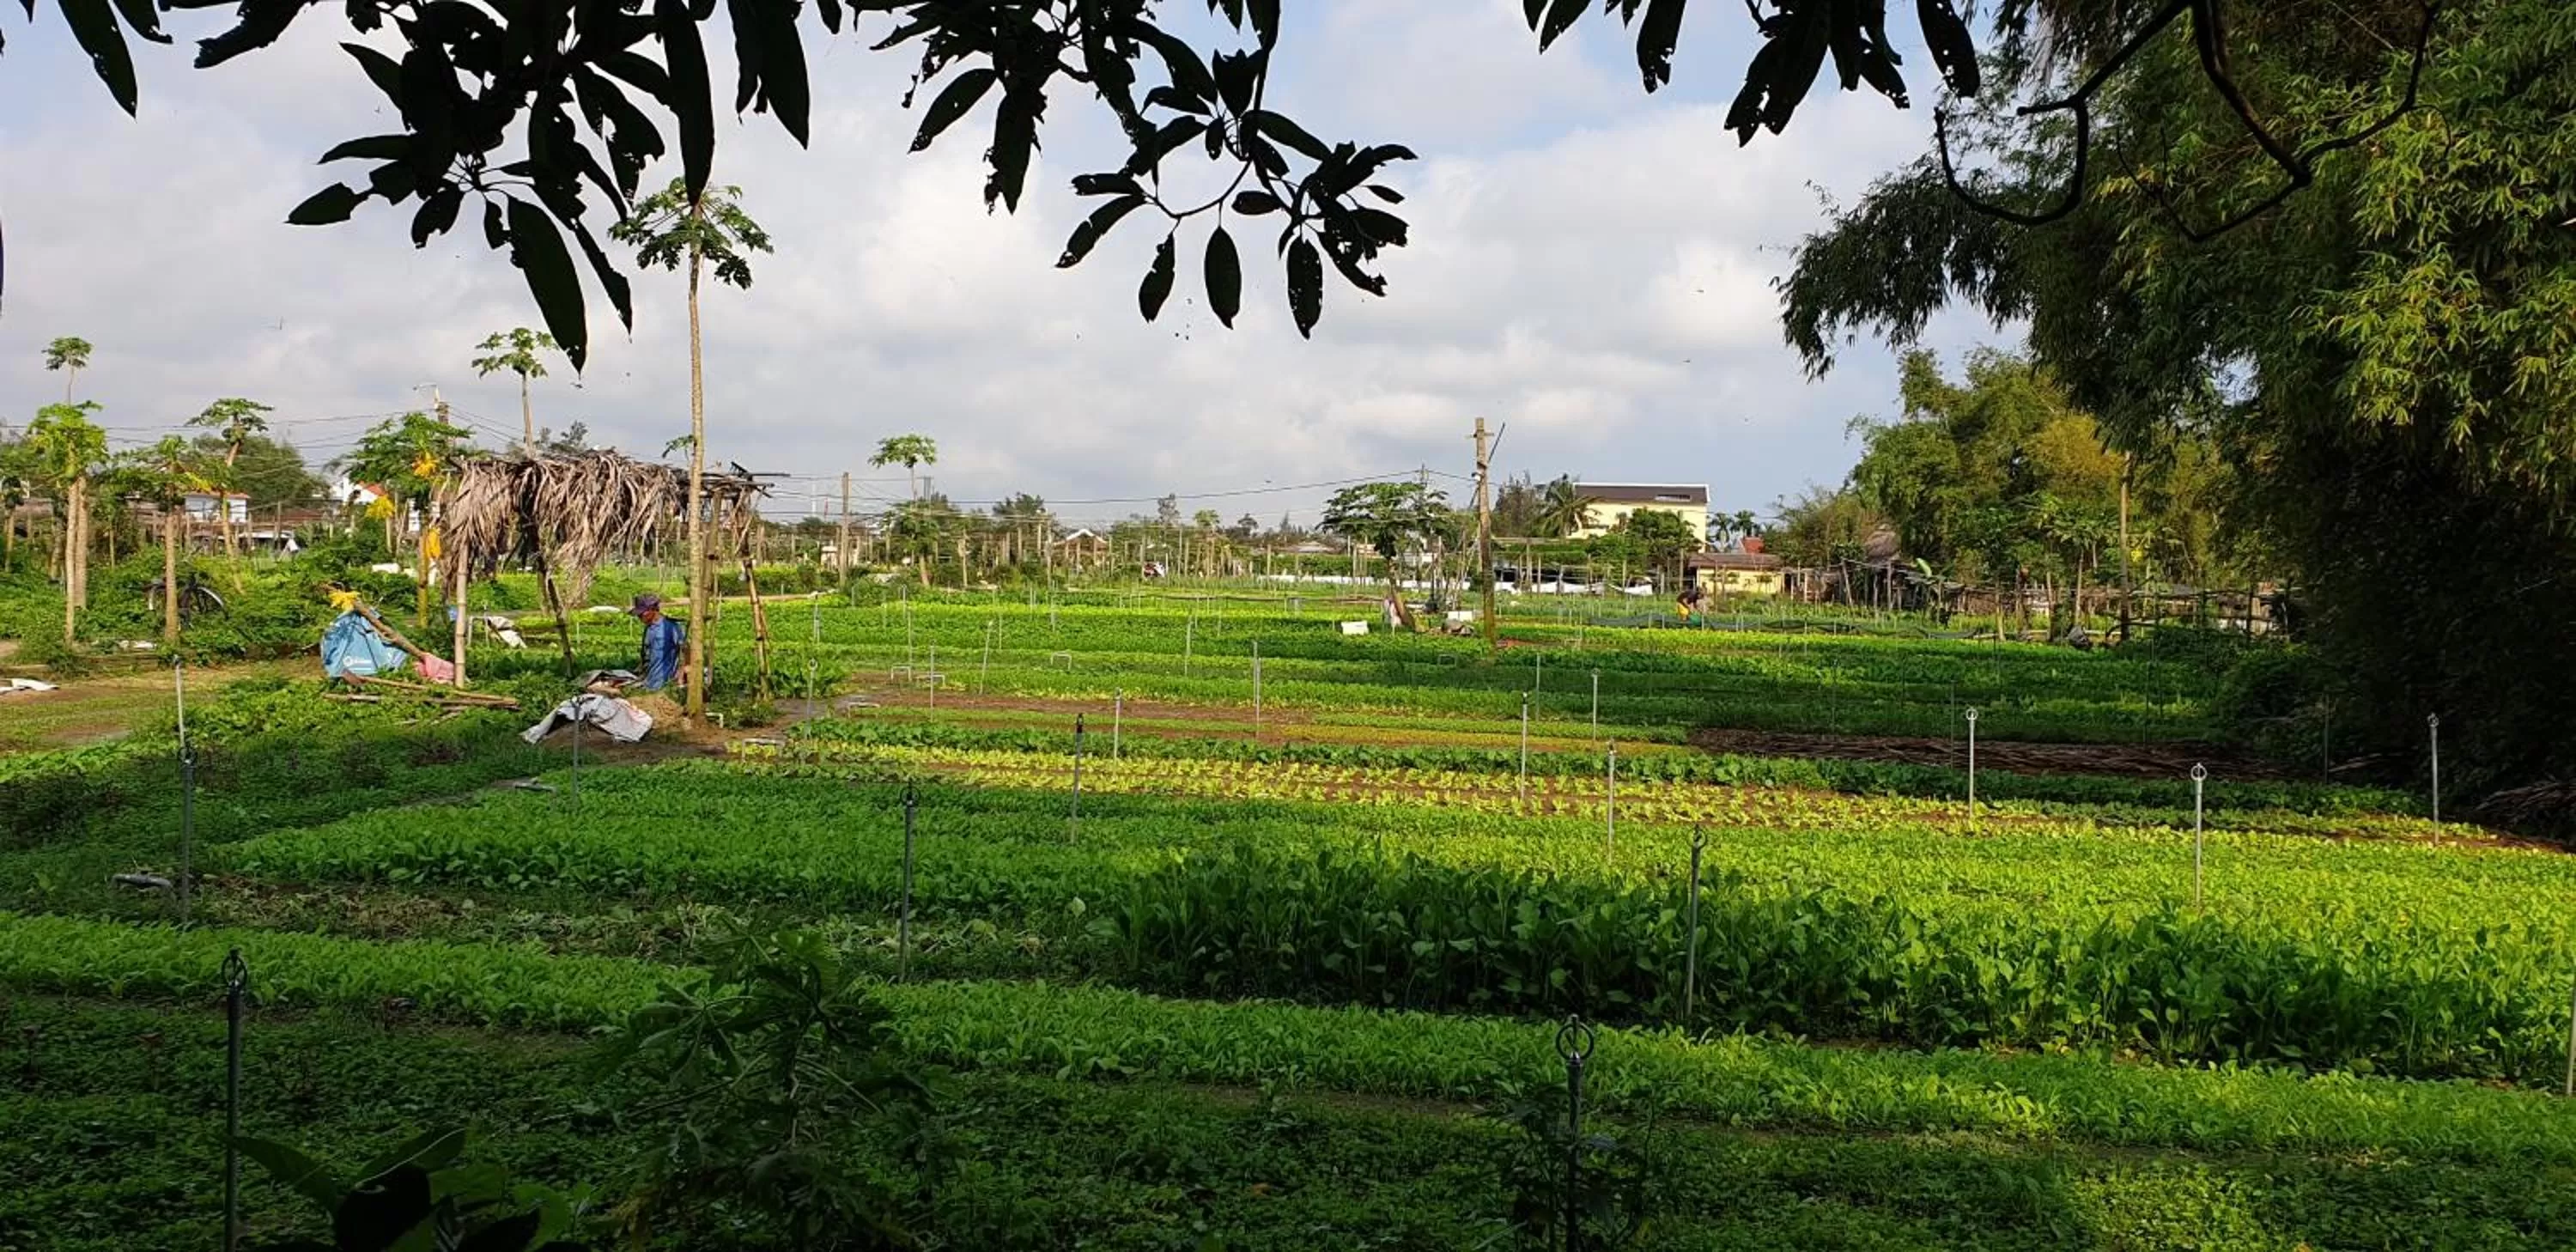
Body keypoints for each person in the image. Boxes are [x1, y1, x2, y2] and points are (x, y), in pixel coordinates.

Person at [629, 593, 687, 692]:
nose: (639, 617)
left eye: (642, 613)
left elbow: (686, 650)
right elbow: (647, 655)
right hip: (649, 682)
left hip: (664, 685)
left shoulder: (670, 627)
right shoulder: (649, 628)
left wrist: (681, 676)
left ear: (652, 610)